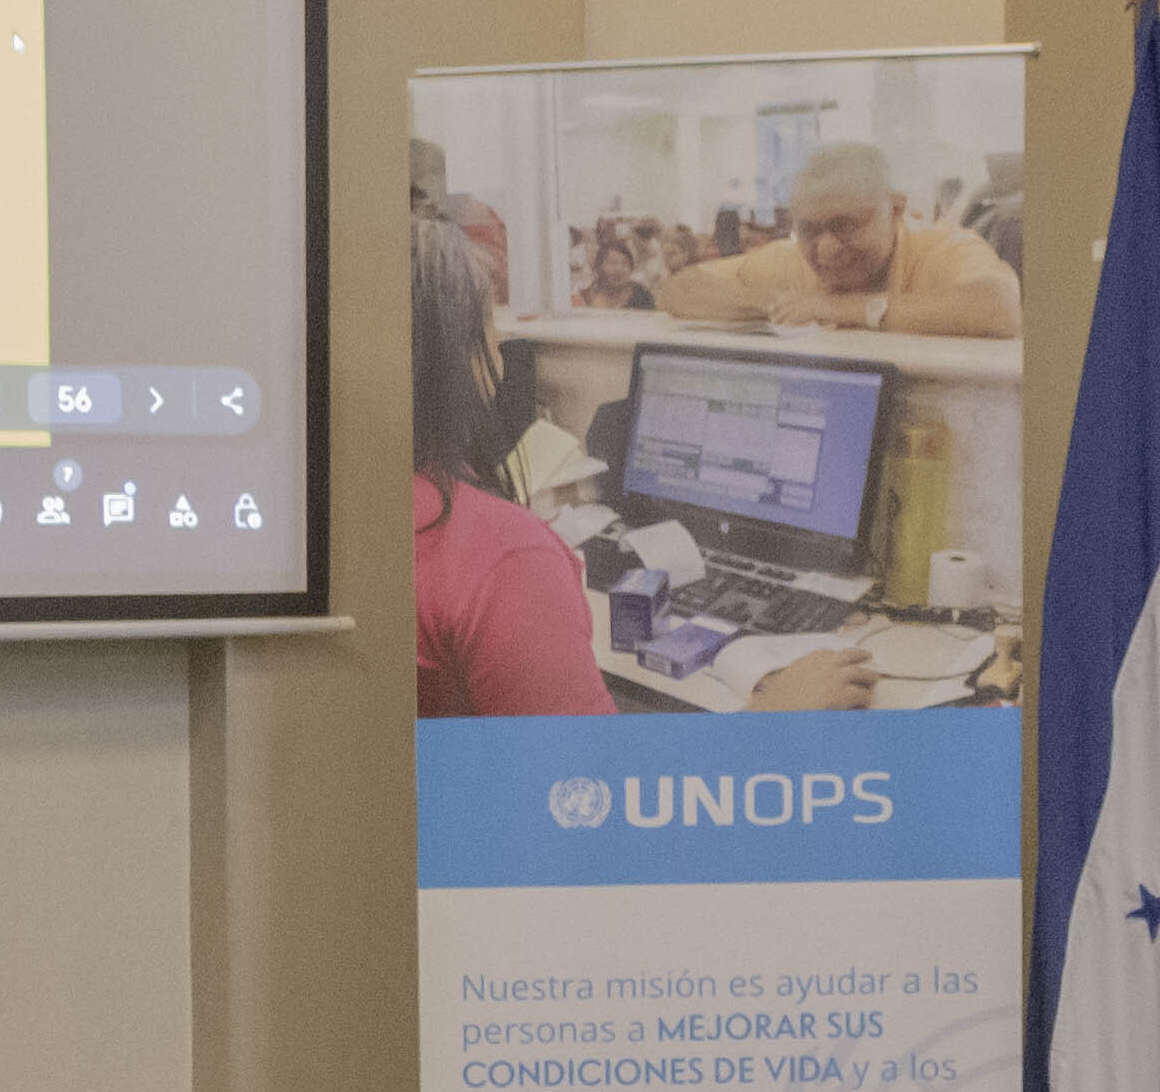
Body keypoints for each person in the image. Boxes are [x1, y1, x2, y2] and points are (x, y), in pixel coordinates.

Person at [401, 216, 598, 718]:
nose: (502, 338)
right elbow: (582, 766)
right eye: (490, 318)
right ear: (455, 349)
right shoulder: (507, 558)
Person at [647, 139, 1024, 340]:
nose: (826, 249)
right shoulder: (789, 260)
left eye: (845, 226)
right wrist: (773, 304)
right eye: (809, 230)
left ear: (896, 210)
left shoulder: (942, 248)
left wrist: (837, 309)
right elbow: (680, 290)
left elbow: (999, 307)